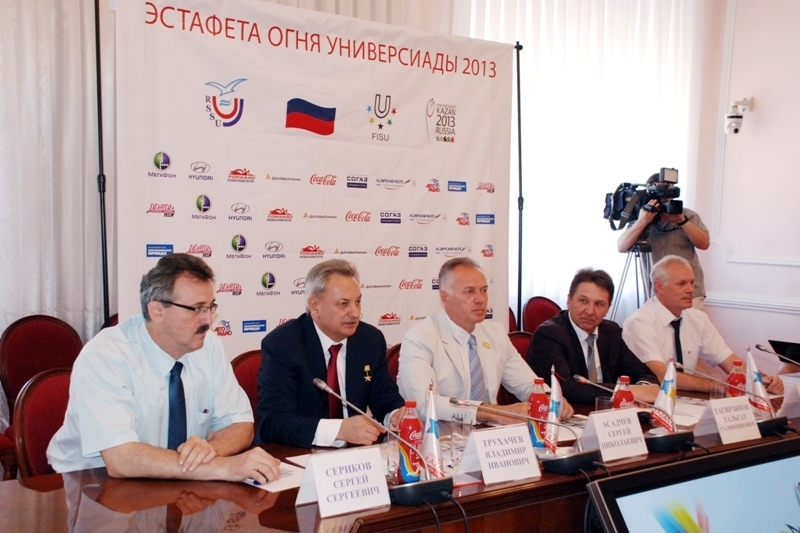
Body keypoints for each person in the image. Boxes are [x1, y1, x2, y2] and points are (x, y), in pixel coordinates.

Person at [47, 253, 280, 484]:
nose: (208, 320)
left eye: (210, 307)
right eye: (198, 308)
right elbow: (120, 458)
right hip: (90, 483)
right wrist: (221, 467)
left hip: (173, 479)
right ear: (157, 311)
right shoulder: (106, 356)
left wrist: (209, 450)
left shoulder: (209, 346)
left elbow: (240, 424)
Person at [398, 257, 573, 425]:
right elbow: (425, 404)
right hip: (441, 435)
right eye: (469, 291)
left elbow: (528, 384)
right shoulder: (420, 338)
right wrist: (495, 413)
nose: (480, 299)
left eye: (483, 290)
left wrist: (549, 398)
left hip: (491, 436)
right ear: (445, 297)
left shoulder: (495, 333)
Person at [257, 259, 405, 448]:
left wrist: (395, 415)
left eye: (358, 302)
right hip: (300, 453)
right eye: (343, 304)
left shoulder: (370, 339)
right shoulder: (283, 344)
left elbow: (385, 397)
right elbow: (273, 421)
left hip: (357, 455)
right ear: (315, 306)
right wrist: (338, 430)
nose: (355, 312)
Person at [622, 255, 784, 394]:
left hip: (688, 399)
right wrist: (717, 386)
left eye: (692, 282)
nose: (691, 289)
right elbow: (662, 375)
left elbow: (731, 363)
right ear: (659, 286)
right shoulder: (640, 322)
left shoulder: (697, 319)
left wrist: (763, 380)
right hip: (651, 400)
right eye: (682, 283)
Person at [527, 268, 659, 405]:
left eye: (599, 304)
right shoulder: (549, 334)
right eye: (583, 301)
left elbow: (645, 374)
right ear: (569, 300)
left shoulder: (611, 332)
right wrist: (624, 392)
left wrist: (644, 390)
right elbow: (565, 388)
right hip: (571, 412)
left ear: (608, 308)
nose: (590, 311)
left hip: (610, 413)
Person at [616, 187, 710, 308]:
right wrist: (642, 221)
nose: (663, 199)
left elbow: (704, 244)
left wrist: (682, 221)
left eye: (667, 194)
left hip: (689, 291)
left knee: (691, 321)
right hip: (658, 292)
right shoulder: (641, 216)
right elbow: (621, 246)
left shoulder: (687, 214)